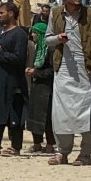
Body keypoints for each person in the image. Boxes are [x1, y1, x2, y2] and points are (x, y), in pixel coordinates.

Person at [46, 0, 91, 166]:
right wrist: (58, 38)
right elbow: (47, 39)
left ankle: (85, 154)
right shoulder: (55, 14)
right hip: (63, 69)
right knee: (61, 112)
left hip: (86, 69)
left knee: (88, 112)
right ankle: (62, 152)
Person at [0, 2, 29, 156]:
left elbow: (19, 58)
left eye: (2, 13)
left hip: (13, 82)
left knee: (14, 114)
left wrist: (0, 54)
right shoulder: (1, 32)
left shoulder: (19, 34)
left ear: (11, 13)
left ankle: (15, 147)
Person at [26, 21, 56, 154]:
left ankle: (50, 144)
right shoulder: (38, 48)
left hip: (47, 88)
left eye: (35, 33)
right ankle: (37, 143)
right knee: (34, 115)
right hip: (37, 86)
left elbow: (52, 70)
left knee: (47, 117)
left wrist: (36, 72)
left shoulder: (50, 49)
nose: (32, 35)